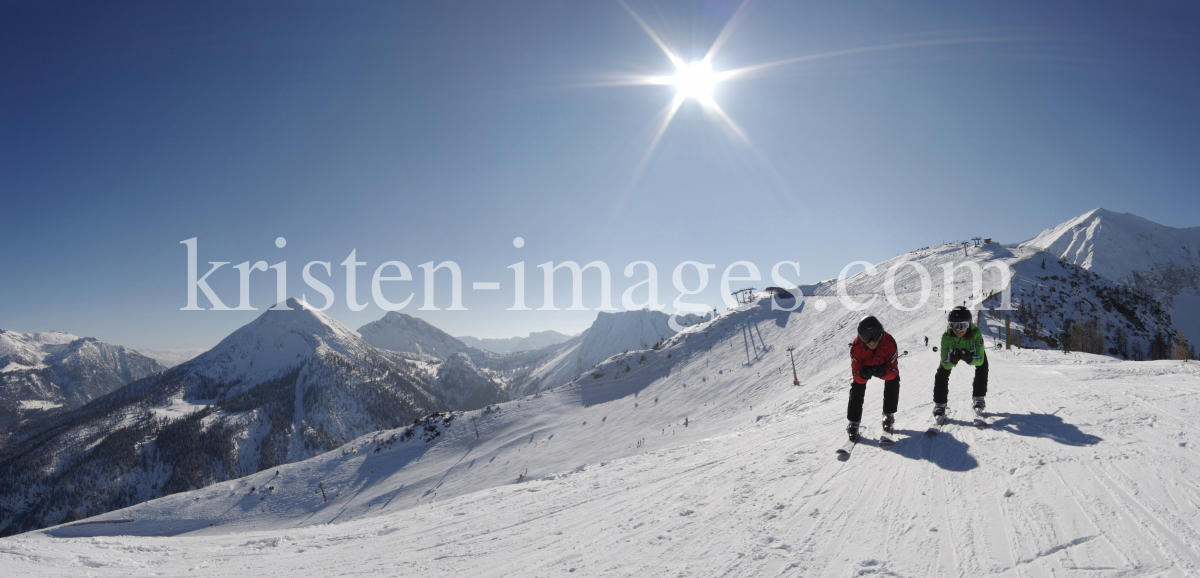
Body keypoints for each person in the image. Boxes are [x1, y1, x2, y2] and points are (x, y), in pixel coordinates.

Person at [847, 316, 900, 441]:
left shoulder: (889, 343)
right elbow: (856, 374)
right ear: (860, 337)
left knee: (893, 380)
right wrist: (862, 376)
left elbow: (893, 371)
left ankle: (888, 414)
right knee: (857, 386)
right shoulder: (856, 347)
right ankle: (854, 422)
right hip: (865, 364)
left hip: (883, 364)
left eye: (875, 336)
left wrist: (883, 373)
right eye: (866, 337)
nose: (871, 341)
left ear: (881, 333)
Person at [933, 306, 988, 417]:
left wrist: (970, 359)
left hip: (971, 351)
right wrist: (952, 361)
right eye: (954, 326)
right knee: (941, 372)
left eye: (962, 326)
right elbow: (944, 363)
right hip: (954, 351)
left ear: (969, 324)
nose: (958, 330)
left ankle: (979, 397)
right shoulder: (946, 337)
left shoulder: (976, 333)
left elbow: (980, 360)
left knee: (983, 367)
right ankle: (940, 403)